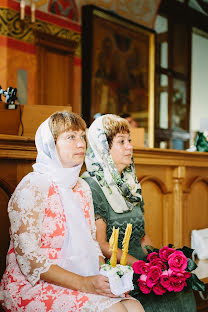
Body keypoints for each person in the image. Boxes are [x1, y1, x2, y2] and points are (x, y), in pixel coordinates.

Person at [0, 111, 144, 312]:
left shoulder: (81, 187)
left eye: (82, 136)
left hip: (81, 274)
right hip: (33, 284)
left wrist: (105, 276)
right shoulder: (33, 186)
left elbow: (93, 244)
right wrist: (86, 283)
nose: (80, 144)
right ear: (51, 144)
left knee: (133, 306)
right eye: (70, 137)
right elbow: (30, 260)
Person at [82, 114, 197, 312]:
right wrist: (140, 267)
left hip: (141, 266)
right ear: (103, 148)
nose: (130, 147)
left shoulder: (131, 186)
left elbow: (143, 238)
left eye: (129, 141)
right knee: (160, 300)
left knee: (181, 288)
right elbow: (101, 245)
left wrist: (159, 262)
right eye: (121, 142)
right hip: (117, 273)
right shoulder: (92, 186)